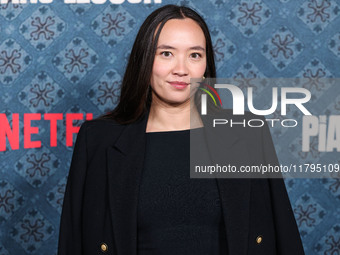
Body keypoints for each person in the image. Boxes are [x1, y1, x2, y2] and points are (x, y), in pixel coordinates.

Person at [58, 4, 305, 255]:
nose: (181, 69)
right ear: (144, 58)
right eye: (166, 53)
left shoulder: (247, 132)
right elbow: (73, 242)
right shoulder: (98, 139)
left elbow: (284, 237)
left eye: (194, 55)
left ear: (206, 65)